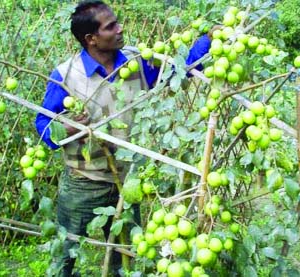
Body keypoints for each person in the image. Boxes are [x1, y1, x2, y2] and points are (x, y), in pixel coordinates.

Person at [34, 1, 212, 276]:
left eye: (117, 22)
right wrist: (66, 128)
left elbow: (178, 68)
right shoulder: (66, 76)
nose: (120, 29)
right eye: (111, 27)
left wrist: (208, 40)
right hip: (84, 183)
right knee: (64, 256)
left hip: (127, 182)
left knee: (126, 256)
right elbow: (43, 124)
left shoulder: (136, 61)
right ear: (91, 39)